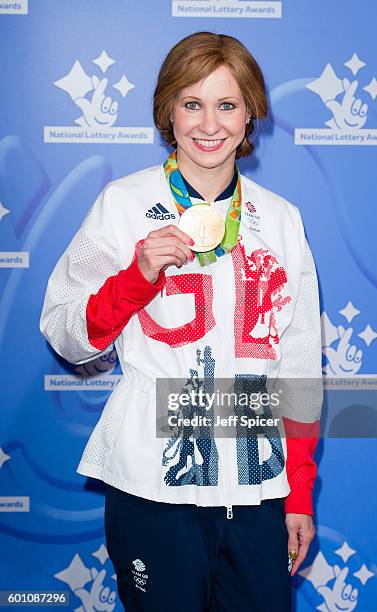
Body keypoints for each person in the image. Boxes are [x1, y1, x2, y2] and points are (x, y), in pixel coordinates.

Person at [40, 31, 323, 612]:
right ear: (168, 111)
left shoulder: (282, 220)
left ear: (250, 115)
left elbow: (297, 370)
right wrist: (135, 278)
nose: (209, 123)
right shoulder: (123, 204)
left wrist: (298, 494)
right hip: (152, 482)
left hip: (258, 484)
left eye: (227, 104)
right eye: (192, 103)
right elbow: (66, 331)